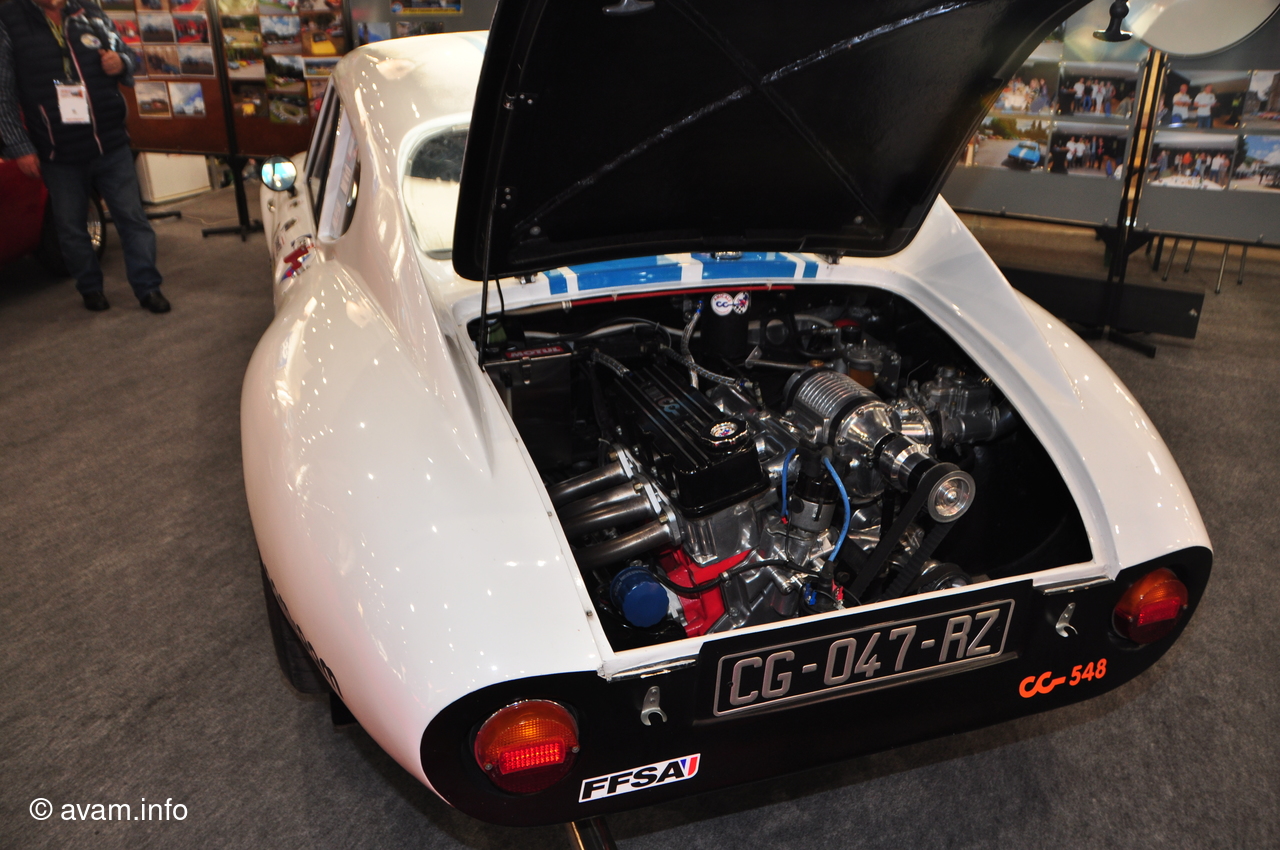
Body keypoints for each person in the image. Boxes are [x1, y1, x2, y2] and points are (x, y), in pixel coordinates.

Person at [0, 0, 169, 313]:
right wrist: (20, 147)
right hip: (58, 150)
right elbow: (3, 94)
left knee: (133, 219)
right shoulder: (9, 19)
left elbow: (127, 53)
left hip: (110, 143)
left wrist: (121, 63)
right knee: (71, 227)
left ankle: (148, 287)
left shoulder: (90, 11)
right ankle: (90, 287)